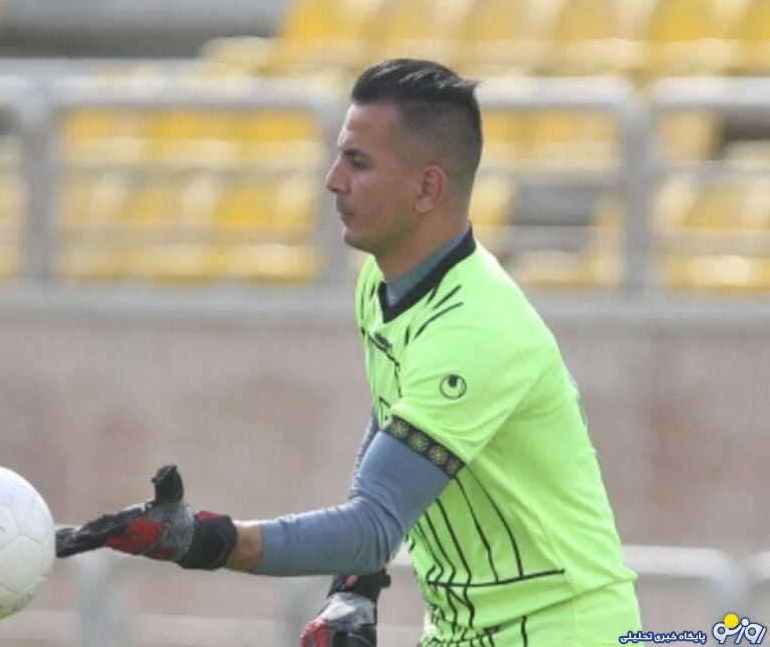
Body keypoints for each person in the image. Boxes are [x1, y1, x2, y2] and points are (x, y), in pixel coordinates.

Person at [56, 59, 641, 647]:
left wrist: (201, 538)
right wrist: (355, 588)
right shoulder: (380, 283)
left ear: (427, 188)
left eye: (358, 163)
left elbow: (373, 523)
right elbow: (391, 428)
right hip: (462, 631)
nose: (333, 180)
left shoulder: (477, 331)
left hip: (564, 631)